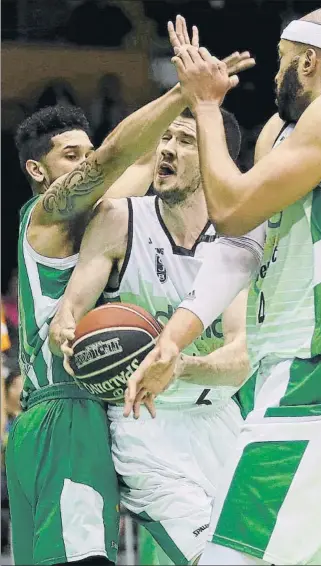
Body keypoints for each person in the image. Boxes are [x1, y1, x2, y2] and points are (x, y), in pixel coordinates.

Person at [125, 6, 321, 565]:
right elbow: (240, 246)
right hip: (289, 366)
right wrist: (173, 340)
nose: (274, 78)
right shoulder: (283, 132)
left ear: (307, 61)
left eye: (280, 64)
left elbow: (226, 212)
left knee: (232, 556)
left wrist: (204, 105)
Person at [6, 20, 254, 565]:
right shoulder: (47, 217)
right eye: (71, 157)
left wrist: (205, 110)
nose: (86, 164)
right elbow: (115, 160)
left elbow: (147, 164)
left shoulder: (103, 223)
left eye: (84, 153)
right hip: (65, 414)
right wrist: (180, 93)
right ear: (37, 171)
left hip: (77, 416)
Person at [49, 106, 250, 566]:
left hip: (221, 423)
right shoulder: (120, 219)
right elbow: (73, 309)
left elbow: (240, 357)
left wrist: (180, 365)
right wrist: (66, 329)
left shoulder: (237, 238)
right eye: (165, 138)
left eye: (185, 141)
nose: (167, 149)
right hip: (145, 428)